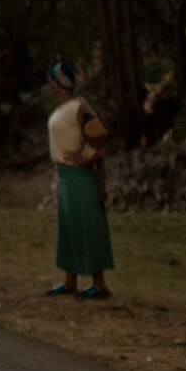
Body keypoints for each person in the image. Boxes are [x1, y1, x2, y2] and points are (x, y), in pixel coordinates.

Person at [45, 60, 115, 301]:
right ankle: (69, 281)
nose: (50, 87)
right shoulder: (64, 108)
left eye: (53, 82)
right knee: (69, 229)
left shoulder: (80, 107)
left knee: (88, 227)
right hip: (65, 176)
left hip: (79, 178)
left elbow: (100, 139)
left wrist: (84, 158)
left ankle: (99, 284)